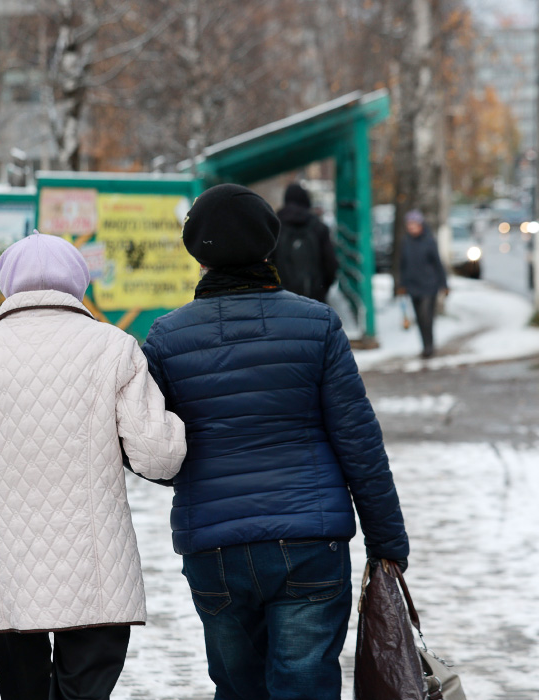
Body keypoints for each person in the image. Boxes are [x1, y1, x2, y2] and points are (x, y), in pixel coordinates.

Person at [140, 184, 410, 700]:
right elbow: (359, 441)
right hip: (310, 540)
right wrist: (387, 540)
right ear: (270, 248)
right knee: (305, 686)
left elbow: (153, 452)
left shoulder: (165, 339)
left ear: (198, 254)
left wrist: (189, 473)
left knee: (239, 690)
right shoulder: (317, 325)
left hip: (214, 548)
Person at [0, 233, 187, 700]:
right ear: (78, 284)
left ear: (7, 286)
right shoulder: (114, 347)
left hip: (7, 574)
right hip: (97, 570)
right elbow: (159, 457)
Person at [271, 182, 338, 303]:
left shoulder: (274, 227)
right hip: (315, 300)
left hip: (283, 302)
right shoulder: (319, 227)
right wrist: (322, 289)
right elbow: (331, 265)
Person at [398, 209, 449, 359]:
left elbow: (438, 264)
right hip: (413, 286)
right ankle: (425, 345)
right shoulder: (406, 242)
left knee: (426, 316)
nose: (411, 227)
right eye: (409, 225)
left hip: (429, 285)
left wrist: (443, 284)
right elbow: (403, 265)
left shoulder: (429, 240)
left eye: (414, 224)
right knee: (419, 319)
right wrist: (402, 284)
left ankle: (429, 346)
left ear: (420, 225)